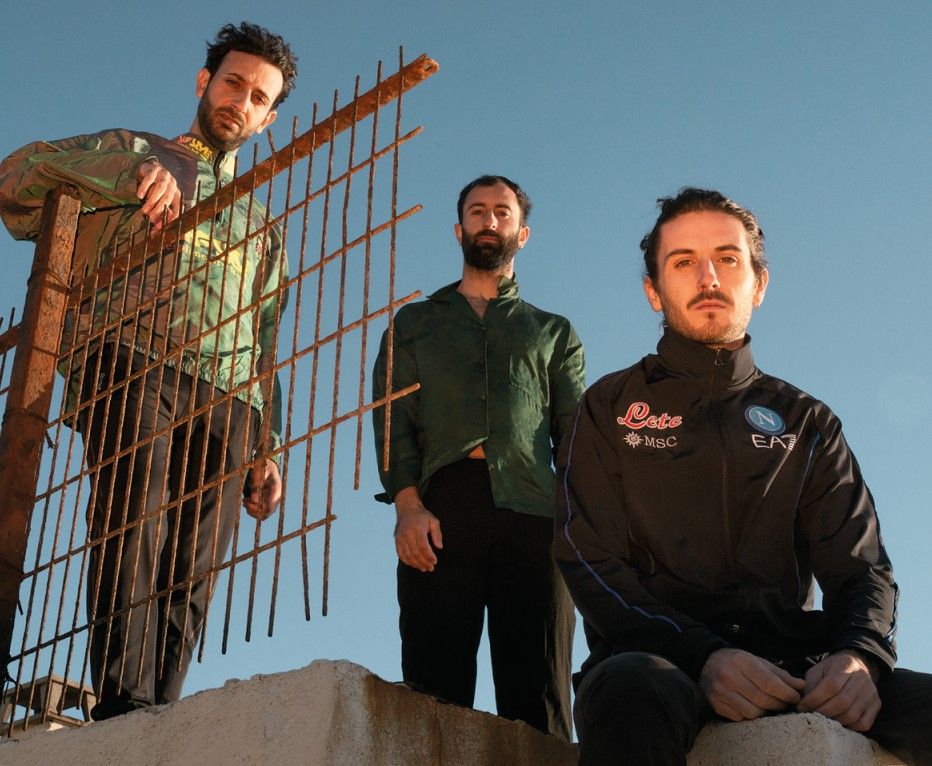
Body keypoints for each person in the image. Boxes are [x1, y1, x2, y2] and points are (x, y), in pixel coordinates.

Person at [555, 187, 932, 765]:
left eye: (727, 259)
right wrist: (702, 655)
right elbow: (588, 556)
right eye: (683, 261)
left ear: (759, 283)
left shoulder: (807, 422)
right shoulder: (609, 407)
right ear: (653, 290)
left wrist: (860, 656)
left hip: (794, 668)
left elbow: (861, 568)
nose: (708, 276)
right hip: (658, 661)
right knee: (630, 692)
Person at [0, 22, 297, 720]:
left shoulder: (263, 225)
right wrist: (126, 176)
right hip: (131, 359)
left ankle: (161, 717)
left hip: (229, 397)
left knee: (195, 567)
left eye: (258, 97)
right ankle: (122, 709)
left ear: (268, 119)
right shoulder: (132, 151)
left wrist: (269, 444)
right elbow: (15, 181)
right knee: (132, 521)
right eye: (232, 84)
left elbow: (264, 339)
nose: (240, 103)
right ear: (203, 82)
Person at [372, 175, 585, 740]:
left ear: (522, 233)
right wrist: (408, 508)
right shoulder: (414, 324)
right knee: (433, 697)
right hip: (440, 515)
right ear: (458, 229)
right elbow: (393, 426)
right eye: (477, 211)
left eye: (502, 212)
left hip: (535, 517)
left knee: (539, 698)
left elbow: (576, 440)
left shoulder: (553, 332)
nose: (489, 221)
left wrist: (576, 527)